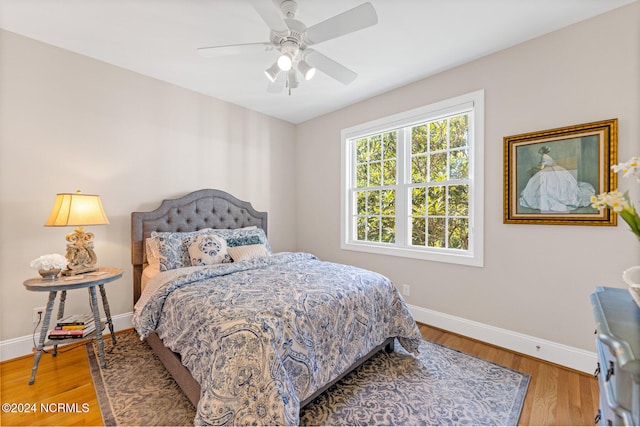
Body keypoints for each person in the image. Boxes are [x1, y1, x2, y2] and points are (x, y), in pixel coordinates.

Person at [519, 146, 595, 212]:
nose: (539, 152)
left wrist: (533, 168)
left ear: (542, 151)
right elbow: (543, 164)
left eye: (540, 151)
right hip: (551, 169)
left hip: (550, 170)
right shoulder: (546, 156)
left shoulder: (544, 156)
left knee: (548, 184)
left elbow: (542, 166)